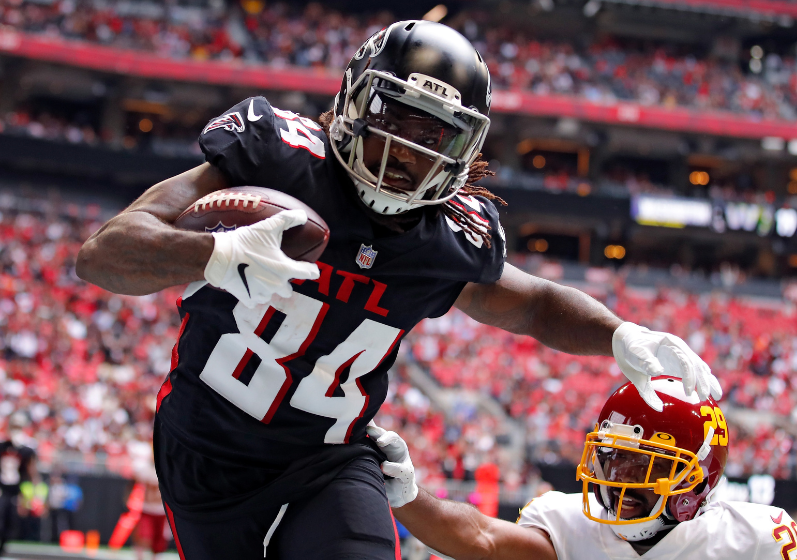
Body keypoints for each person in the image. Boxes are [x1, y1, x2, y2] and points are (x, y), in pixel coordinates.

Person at [76, 20, 720, 560]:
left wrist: (618, 333)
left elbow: (531, 302)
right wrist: (214, 253)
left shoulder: (448, 237)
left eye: (435, 133)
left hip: (328, 458)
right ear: (356, 99)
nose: (410, 149)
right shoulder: (282, 158)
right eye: (400, 117)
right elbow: (102, 255)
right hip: (204, 450)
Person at [367, 377, 797, 560]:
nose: (615, 478)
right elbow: (482, 538)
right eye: (611, 457)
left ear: (695, 480)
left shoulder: (755, 537)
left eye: (640, 464)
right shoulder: (570, 522)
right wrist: (408, 493)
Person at [0, 429, 37, 554]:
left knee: (11, 522)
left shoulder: (24, 452)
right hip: (2, 490)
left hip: (14, 491)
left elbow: (31, 458)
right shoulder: (3, 447)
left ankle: (3, 546)